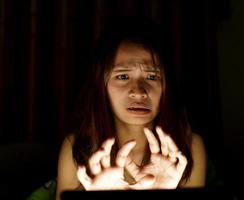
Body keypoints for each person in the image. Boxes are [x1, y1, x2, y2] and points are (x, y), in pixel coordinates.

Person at [55, 16, 207, 200]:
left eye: (152, 77)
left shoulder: (188, 146)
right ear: (101, 86)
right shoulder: (77, 147)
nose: (139, 92)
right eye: (123, 77)